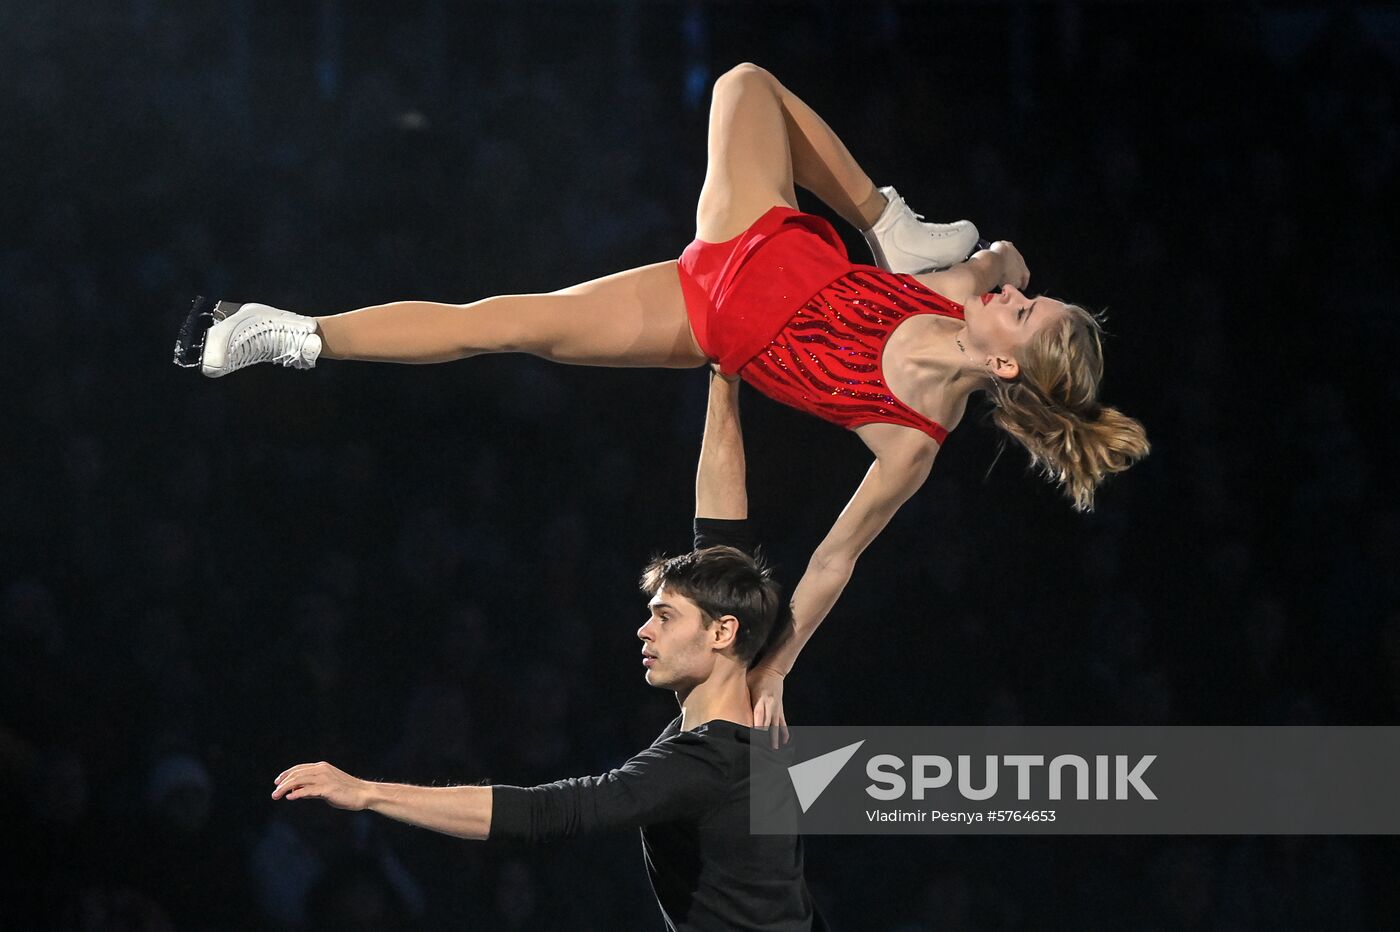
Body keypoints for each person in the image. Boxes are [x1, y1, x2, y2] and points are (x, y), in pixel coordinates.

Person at [189, 63, 1149, 740]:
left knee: (506, 322)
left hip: (702, 315)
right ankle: (884, 219)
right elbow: (1010, 256)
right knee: (742, 84)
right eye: (1027, 299)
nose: (1016, 295)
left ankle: (293, 334)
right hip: (759, 234)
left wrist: (772, 672)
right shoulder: (958, 287)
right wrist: (1000, 273)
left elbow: (832, 562)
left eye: (1025, 314)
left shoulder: (915, 439)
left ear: (1007, 367)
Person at [271, 372, 826, 931]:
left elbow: (543, 813)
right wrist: (723, 375)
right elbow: (733, 531)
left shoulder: (703, 765)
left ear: (722, 633)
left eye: (664, 616)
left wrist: (366, 793)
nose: (643, 631)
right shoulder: (752, 721)